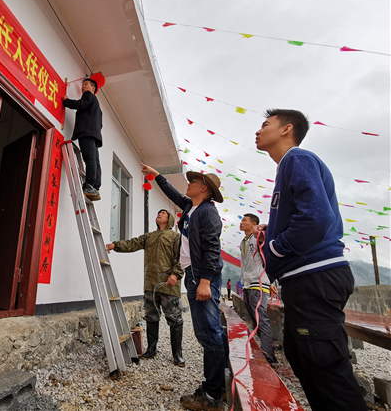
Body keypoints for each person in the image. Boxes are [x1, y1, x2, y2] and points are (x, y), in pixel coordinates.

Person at [254, 109, 367, 411]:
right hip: (302, 281)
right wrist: (273, 229)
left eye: (265, 124)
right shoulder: (286, 168)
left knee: (327, 371)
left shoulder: (297, 159)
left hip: (314, 277)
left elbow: (317, 218)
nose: (258, 130)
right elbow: (307, 215)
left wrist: (276, 247)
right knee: (302, 358)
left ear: (286, 129)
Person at [141, 164, 226, 411]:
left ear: (205, 188)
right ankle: (214, 386)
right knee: (204, 333)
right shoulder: (191, 206)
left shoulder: (208, 212)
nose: (188, 183)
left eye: (194, 180)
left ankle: (213, 396)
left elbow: (212, 248)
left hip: (202, 277)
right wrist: (157, 176)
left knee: (210, 334)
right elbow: (173, 194)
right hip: (192, 275)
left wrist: (205, 281)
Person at [106, 210, 184, 366]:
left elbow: (181, 257)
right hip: (150, 284)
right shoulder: (149, 236)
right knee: (151, 317)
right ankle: (151, 350)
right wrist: (115, 245)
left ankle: (177, 354)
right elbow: (132, 243)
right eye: (159, 213)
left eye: (163, 213)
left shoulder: (176, 237)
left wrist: (175, 274)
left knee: (174, 319)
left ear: (170, 219)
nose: (160, 214)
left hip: (169, 285)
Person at [239, 213, 278, 365]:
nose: (241, 222)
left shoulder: (259, 238)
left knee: (262, 320)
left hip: (258, 285)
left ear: (254, 224)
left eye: (244, 220)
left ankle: (267, 355)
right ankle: (270, 354)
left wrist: (269, 281)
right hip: (248, 285)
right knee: (255, 322)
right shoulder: (244, 241)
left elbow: (269, 258)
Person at [62, 76, 103, 201]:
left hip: (86, 133)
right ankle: (95, 187)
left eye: (86, 84)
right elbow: (100, 124)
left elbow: (80, 104)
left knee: (89, 159)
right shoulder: (98, 107)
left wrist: (66, 101)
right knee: (95, 161)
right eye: (83, 85)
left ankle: (89, 185)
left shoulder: (89, 96)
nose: (83, 86)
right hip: (95, 135)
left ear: (93, 88)